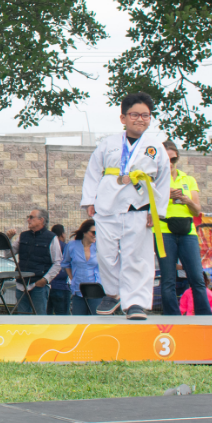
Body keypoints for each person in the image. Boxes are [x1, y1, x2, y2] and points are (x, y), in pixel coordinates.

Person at [80, 92, 170, 321]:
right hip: (108, 205)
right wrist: (89, 200)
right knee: (106, 256)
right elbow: (92, 172)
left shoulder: (156, 147)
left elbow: (163, 180)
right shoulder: (107, 144)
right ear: (123, 118)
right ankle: (113, 293)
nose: (140, 119)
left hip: (140, 207)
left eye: (145, 115)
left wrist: (157, 211)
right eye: (134, 115)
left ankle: (136, 303)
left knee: (137, 257)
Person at [157, 141, 212, 316]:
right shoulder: (155, 180)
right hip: (164, 230)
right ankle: (172, 317)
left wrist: (185, 199)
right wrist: (166, 195)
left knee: (196, 276)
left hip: (187, 231)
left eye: (173, 159)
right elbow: (146, 205)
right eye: (166, 159)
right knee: (168, 279)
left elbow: (197, 210)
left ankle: (204, 316)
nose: (170, 163)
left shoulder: (188, 179)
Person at [6, 207, 62, 314]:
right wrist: (8, 239)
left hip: (38, 284)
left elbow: (58, 262)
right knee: (23, 318)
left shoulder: (51, 237)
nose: (28, 220)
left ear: (41, 220)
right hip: (21, 283)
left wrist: (45, 280)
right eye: (28, 217)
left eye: (31, 217)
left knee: (39, 318)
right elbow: (8, 254)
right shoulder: (23, 235)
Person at [62, 218, 103, 314]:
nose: (95, 236)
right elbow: (65, 263)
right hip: (78, 288)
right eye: (93, 232)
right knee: (79, 319)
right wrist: (72, 278)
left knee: (97, 319)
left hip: (96, 288)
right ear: (85, 232)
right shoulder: (72, 245)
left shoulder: (99, 246)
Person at [48, 223, 72, 315]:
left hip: (48, 284)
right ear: (62, 234)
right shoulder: (65, 246)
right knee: (63, 316)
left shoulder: (50, 245)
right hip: (62, 286)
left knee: (46, 315)